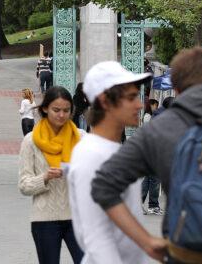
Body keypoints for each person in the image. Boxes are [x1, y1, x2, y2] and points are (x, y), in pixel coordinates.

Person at [91, 48, 202, 263]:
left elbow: (103, 184)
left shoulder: (159, 129)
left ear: (176, 89)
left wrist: (146, 241)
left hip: (183, 252)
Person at [68, 61, 151, 263]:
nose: (139, 105)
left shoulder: (110, 150)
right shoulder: (92, 155)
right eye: (131, 97)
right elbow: (96, 237)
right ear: (105, 101)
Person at [18, 86, 84, 264]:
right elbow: (24, 185)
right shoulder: (30, 141)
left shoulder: (81, 138)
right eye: (56, 110)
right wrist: (45, 177)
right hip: (44, 219)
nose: (61, 115)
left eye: (66, 110)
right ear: (45, 108)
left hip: (79, 217)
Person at [140, 98, 162, 216]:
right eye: (155, 105)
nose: (156, 108)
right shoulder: (149, 117)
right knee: (153, 178)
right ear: (152, 105)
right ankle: (152, 205)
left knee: (149, 178)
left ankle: (147, 204)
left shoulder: (149, 116)